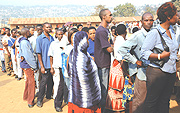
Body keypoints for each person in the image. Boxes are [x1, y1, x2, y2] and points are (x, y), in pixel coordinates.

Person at [141, 2, 178, 113]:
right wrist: (159, 56)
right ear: (168, 17)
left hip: (170, 72)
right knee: (152, 103)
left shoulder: (172, 30)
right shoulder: (155, 33)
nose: (177, 17)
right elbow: (144, 53)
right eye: (175, 14)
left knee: (164, 101)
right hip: (157, 72)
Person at [119, 12, 154, 113]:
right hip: (142, 72)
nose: (149, 22)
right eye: (146, 20)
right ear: (141, 22)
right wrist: (135, 61)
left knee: (150, 99)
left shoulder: (154, 34)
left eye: (151, 20)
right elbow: (122, 49)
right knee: (139, 100)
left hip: (153, 71)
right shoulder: (137, 36)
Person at [68, 31, 101, 113]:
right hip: (85, 96)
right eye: (87, 40)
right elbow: (82, 78)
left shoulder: (74, 53)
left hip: (76, 93)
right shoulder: (81, 57)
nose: (88, 42)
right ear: (82, 41)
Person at [94, 8, 113, 113]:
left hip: (105, 62)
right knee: (103, 89)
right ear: (104, 17)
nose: (111, 17)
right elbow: (108, 48)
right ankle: (102, 110)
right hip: (102, 64)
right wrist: (116, 46)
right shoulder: (101, 31)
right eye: (110, 15)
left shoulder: (105, 29)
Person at [106, 24, 127, 112]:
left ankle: (113, 107)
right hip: (120, 65)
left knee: (113, 89)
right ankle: (119, 108)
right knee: (120, 89)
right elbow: (122, 58)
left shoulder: (117, 40)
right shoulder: (123, 41)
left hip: (115, 66)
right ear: (125, 31)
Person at [36, 22, 54, 108]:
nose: (49, 29)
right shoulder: (40, 38)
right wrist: (42, 66)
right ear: (43, 28)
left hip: (52, 65)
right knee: (43, 83)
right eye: (47, 27)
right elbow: (38, 53)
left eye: (50, 27)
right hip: (45, 64)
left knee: (51, 81)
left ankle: (49, 95)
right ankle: (40, 99)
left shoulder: (52, 38)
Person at [19, 28, 37, 108]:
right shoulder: (25, 42)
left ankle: (26, 96)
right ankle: (30, 101)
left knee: (28, 81)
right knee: (31, 83)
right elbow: (28, 56)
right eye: (29, 31)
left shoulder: (23, 41)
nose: (30, 32)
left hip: (25, 65)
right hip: (28, 65)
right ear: (26, 33)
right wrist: (34, 66)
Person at [48, 29, 65, 112]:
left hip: (64, 68)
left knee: (63, 85)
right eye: (59, 34)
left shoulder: (66, 43)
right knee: (57, 85)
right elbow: (51, 56)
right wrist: (51, 67)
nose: (60, 36)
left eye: (61, 34)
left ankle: (61, 100)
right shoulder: (53, 44)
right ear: (56, 35)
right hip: (56, 67)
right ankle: (57, 102)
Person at [28, 24, 43, 97]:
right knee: (37, 75)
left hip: (43, 58)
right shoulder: (32, 39)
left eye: (41, 29)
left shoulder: (44, 37)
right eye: (38, 29)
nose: (39, 31)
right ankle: (38, 90)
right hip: (35, 58)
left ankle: (43, 89)